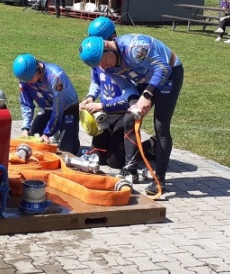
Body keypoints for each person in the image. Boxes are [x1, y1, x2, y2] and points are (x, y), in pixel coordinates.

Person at [79, 33, 184, 196]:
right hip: (145, 78)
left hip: (169, 73)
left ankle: (159, 180)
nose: (105, 67)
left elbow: (163, 68)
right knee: (129, 118)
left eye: (104, 61)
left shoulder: (135, 47)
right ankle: (131, 169)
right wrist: (134, 103)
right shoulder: (107, 66)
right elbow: (127, 88)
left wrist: (147, 95)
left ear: (108, 47)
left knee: (161, 125)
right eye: (100, 65)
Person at [81, 66, 157, 171]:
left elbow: (130, 97)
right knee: (97, 157)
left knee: (115, 162)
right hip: (105, 114)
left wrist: (103, 105)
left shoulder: (123, 67)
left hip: (123, 115)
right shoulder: (96, 64)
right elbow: (96, 82)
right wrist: (90, 97)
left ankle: (151, 144)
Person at [14, 53, 80, 156]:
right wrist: (25, 128)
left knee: (68, 150)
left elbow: (58, 109)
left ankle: (68, 135)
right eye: (26, 81)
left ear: (37, 69)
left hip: (67, 109)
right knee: (34, 138)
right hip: (48, 109)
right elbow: (26, 104)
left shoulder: (56, 76)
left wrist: (47, 133)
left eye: (31, 79)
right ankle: (55, 131)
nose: (29, 83)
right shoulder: (25, 79)